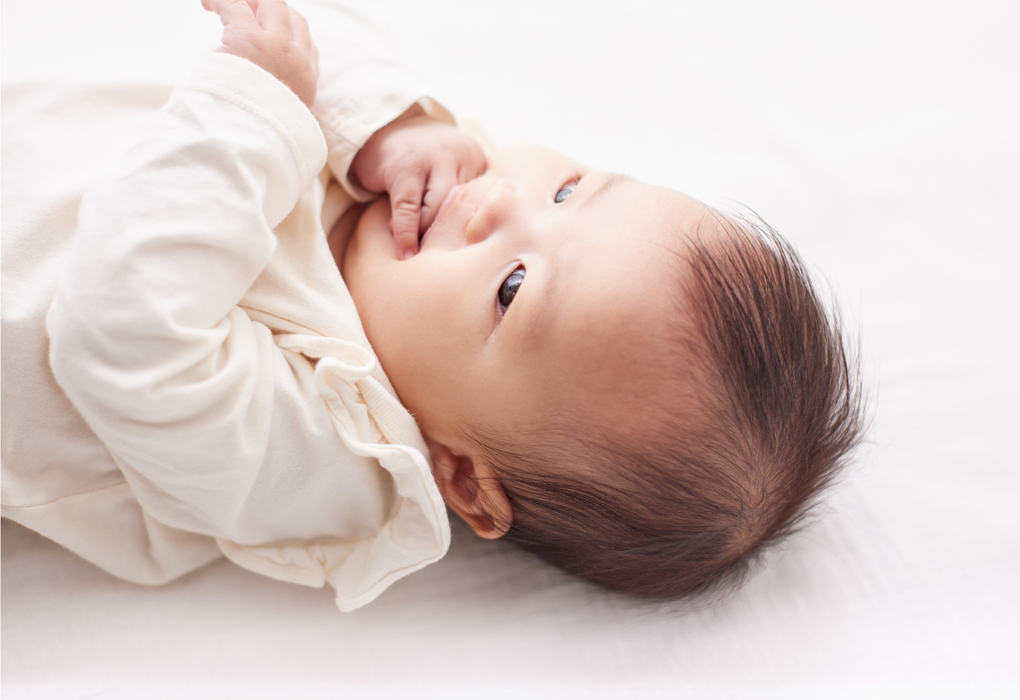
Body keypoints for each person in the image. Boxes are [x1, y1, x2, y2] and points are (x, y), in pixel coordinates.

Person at [0, 0, 863, 611]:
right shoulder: (435, 176)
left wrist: (255, 112)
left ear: (462, 478)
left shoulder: (329, 451)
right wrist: (390, 122)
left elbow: (120, 338)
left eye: (513, 288)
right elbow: (303, 36)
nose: (500, 203)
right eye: (570, 190)